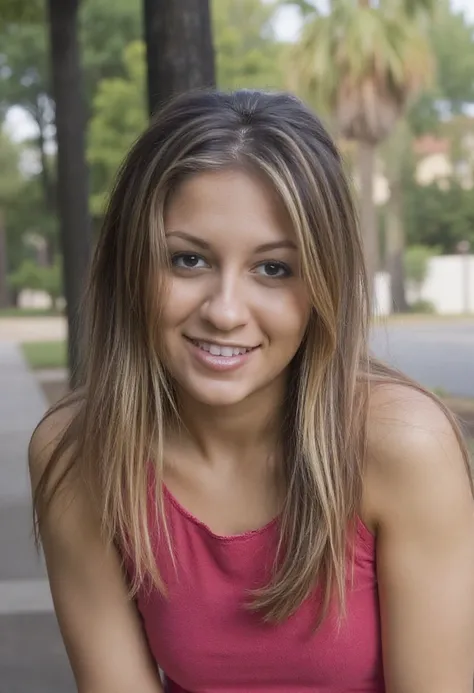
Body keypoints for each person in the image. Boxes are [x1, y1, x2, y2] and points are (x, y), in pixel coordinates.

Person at [29, 89, 474, 693]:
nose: (226, 311)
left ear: (323, 286)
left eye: (273, 269)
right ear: (130, 265)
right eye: (188, 260)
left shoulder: (401, 446)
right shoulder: (79, 454)